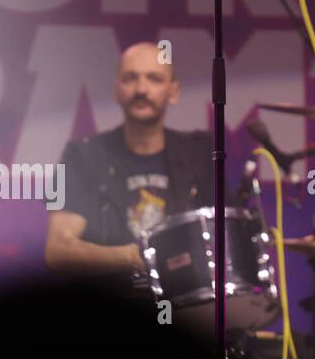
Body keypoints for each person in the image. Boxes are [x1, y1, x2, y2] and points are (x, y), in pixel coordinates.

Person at [44, 42, 212, 280]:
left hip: (185, 308)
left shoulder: (201, 155)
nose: (141, 89)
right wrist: (131, 257)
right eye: (130, 78)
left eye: (154, 78)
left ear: (174, 91)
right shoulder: (82, 156)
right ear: (116, 89)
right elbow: (58, 250)